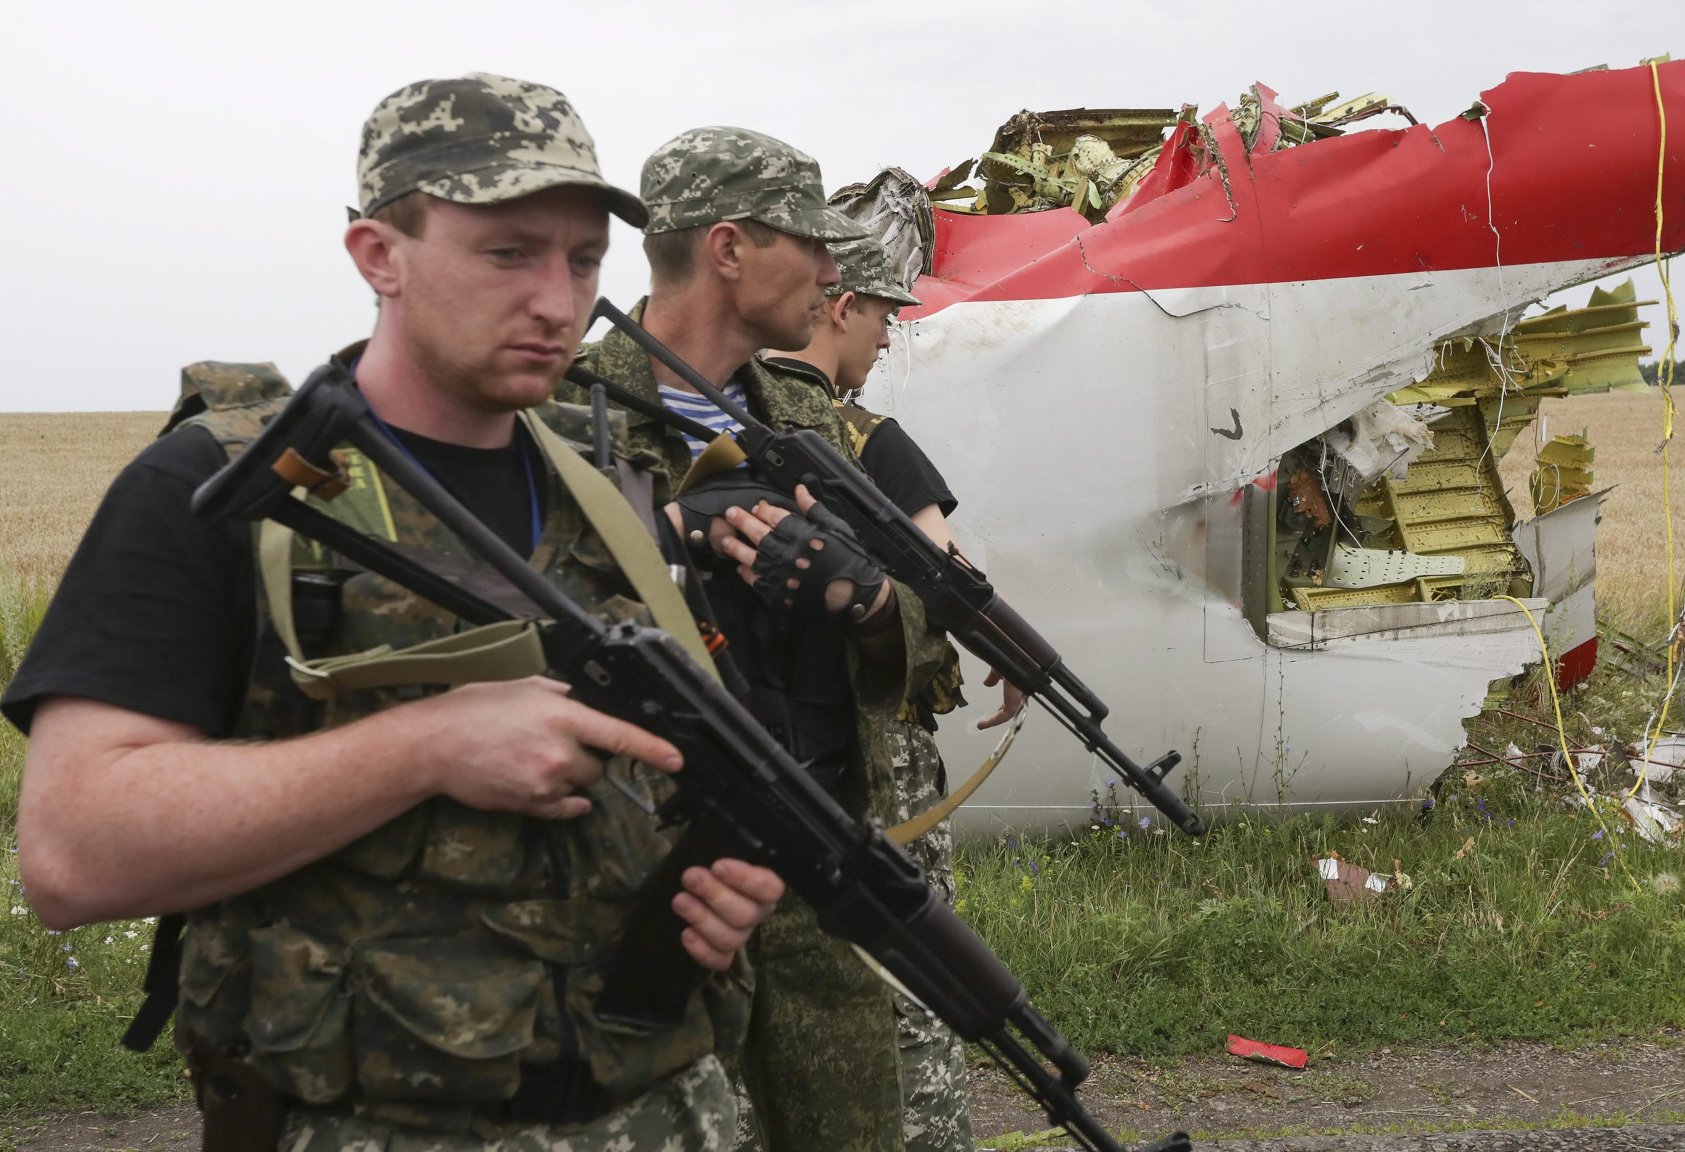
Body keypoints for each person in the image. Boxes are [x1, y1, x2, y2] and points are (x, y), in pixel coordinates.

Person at [4, 74, 784, 1152]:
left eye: (582, 260)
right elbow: (73, 852)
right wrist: (421, 746)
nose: (557, 301)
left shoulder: (619, 489)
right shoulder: (225, 490)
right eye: (508, 253)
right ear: (379, 255)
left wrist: (717, 890)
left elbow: (672, 783)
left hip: (664, 1117)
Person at [567, 127, 955, 1152]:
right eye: (807, 243)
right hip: (657, 890)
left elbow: (929, 636)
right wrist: (667, 545)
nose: (833, 272)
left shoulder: (808, 420)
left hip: (819, 864)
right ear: (729, 249)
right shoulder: (571, 414)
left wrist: (868, 603)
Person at [760, 235, 1026, 1152]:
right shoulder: (863, 436)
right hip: (877, 744)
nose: (884, 339)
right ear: (839, 308)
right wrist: (1016, 655)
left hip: (766, 744)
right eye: (880, 316)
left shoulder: (720, 407)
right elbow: (944, 572)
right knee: (914, 975)